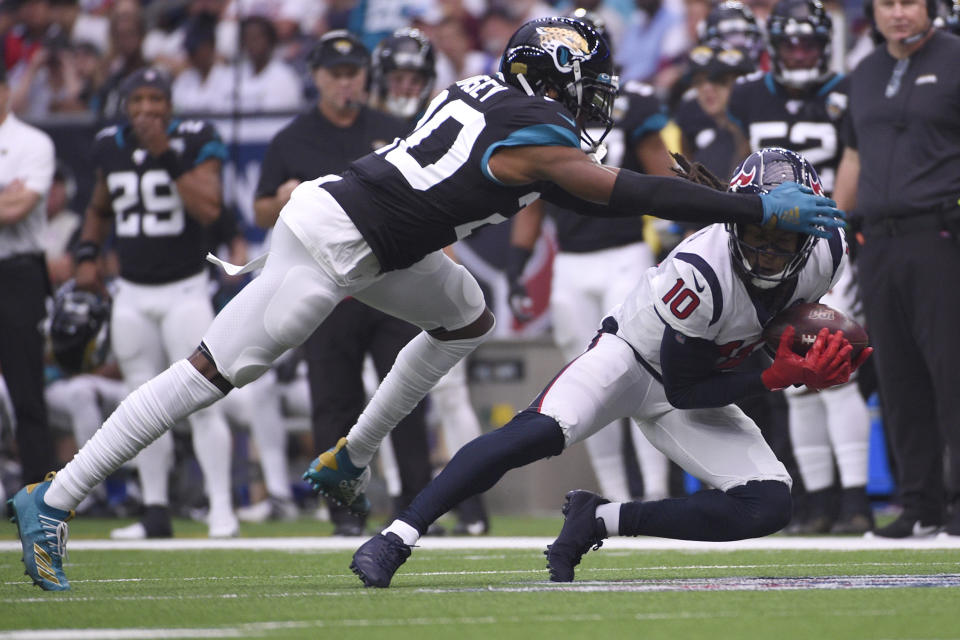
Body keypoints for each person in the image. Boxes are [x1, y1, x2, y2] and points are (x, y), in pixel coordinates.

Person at [10, 17, 843, 592]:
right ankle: (54, 497)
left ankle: (353, 456)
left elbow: (585, 198)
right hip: (335, 242)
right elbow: (618, 190)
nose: (596, 99)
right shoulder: (535, 128)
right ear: (556, 76)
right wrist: (751, 207)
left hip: (386, 241)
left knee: (467, 313)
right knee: (211, 374)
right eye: (588, 83)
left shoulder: (498, 99)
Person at [349, 147, 870, 588]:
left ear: (810, 235)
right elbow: (687, 389)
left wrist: (805, 362)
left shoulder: (828, 251)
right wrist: (776, 377)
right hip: (632, 359)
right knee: (535, 434)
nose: (769, 252)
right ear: (738, 216)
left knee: (768, 504)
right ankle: (397, 536)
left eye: (785, 240)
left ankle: (599, 519)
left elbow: (751, 341)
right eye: (759, 230)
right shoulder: (701, 270)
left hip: (695, 377)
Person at [253, 29, 433, 535]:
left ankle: (417, 507)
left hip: (391, 278)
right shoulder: (292, 139)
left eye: (352, 73)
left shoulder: (393, 127)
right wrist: (283, 197)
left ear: (364, 76)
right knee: (334, 399)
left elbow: (422, 192)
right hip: (326, 286)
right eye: (335, 74)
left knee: (404, 391)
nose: (344, 83)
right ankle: (344, 511)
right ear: (316, 77)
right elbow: (261, 207)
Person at [506, 9, 675, 505]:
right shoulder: (543, 109)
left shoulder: (635, 101)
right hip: (572, 262)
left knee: (643, 371)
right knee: (587, 383)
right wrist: (518, 263)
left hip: (625, 252)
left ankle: (658, 494)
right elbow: (534, 198)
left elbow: (663, 174)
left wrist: (677, 227)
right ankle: (618, 496)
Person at [72, 67, 238, 540]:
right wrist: (87, 255)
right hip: (131, 291)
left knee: (205, 399)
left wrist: (164, 152)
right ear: (126, 105)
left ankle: (222, 508)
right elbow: (100, 208)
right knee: (140, 403)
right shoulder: (110, 144)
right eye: (138, 100)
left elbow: (210, 207)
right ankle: (155, 511)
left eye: (155, 99)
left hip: (186, 291)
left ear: (170, 104)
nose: (147, 109)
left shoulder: (196, 137)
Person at [833, 0, 960, 538]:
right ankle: (919, 506)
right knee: (898, 377)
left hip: (941, 235)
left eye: (909, 1)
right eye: (887, 3)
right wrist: (835, 235)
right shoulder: (864, 70)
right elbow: (853, 159)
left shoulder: (956, 58)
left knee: (952, 372)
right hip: (877, 244)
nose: (898, 13)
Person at [0, 61, 57, 486]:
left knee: (26, 390)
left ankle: (39, 491)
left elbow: (19, 209)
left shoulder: (32, 142)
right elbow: (8, 204)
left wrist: (12, 202)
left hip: (17, 273)